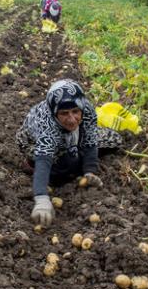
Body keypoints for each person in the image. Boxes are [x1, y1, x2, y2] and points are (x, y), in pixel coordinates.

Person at [16, 79, 123, 226]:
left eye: (75, 112)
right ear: (55, 113)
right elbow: (44, 159)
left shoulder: (87, 109)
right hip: (33, 142)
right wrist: (41, 198)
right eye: (64, 113)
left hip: (71, 135)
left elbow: (90, 140)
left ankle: (74, 153)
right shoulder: (46, 124)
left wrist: (90, 171)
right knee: (64, 169)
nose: (72, 119)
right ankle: (30, 164)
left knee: (114, 140)